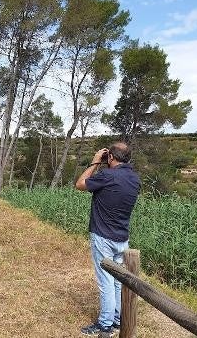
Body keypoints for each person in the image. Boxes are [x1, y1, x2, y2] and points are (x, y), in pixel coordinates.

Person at [75, 143, 140, 337]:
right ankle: (119, 320)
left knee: (106, 282)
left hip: (103, 236)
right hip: (122, 237)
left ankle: (105, 325)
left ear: (110, 156)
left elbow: (80, 184)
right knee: (118, 281)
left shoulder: (106, 175)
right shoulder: (135, 179)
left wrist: (95, 162)